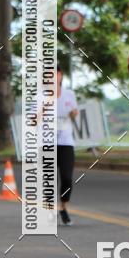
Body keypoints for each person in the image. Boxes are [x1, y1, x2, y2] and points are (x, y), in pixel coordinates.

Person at [56, 68, 78, 226]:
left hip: (66, 141)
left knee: (66, 178)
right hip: (46, 142)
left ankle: (63, 206)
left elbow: (74, 113)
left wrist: (73, 113)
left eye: (56, 74)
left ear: (61, 76)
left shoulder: (69, 94)